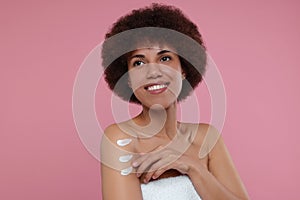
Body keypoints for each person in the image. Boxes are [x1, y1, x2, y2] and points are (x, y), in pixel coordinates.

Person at [100, 3, 249, 200]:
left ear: (184, 69)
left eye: (165, 58)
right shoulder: (121, 139)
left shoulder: (207, 138)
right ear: (128, 78)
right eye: (139, 62)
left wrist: (193, 167)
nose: (153, 72)